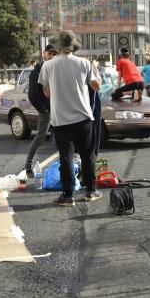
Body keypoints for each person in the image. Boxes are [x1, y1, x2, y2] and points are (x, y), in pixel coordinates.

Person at [39, 30, 102, 206]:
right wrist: (94, 68)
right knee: (87, 155)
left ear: (58, 47)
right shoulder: (83, 63)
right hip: (83, 118)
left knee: (65, 158)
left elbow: (46, 92)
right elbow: (97, 87)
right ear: (73, 46)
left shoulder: (48, 65)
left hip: (60, 120)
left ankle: (67, 195)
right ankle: (91, 190)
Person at [24, 44, 57, 178]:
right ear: (44, 54)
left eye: (54, 54)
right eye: (49, 54)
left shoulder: (56, 69)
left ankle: (68, 166)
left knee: (65, 136)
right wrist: (43, 110)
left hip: (58, 109)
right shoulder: (36, 72)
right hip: (47, 110)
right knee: (40, 137)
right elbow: (32, 95)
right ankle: (28, 166)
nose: (51, 56)